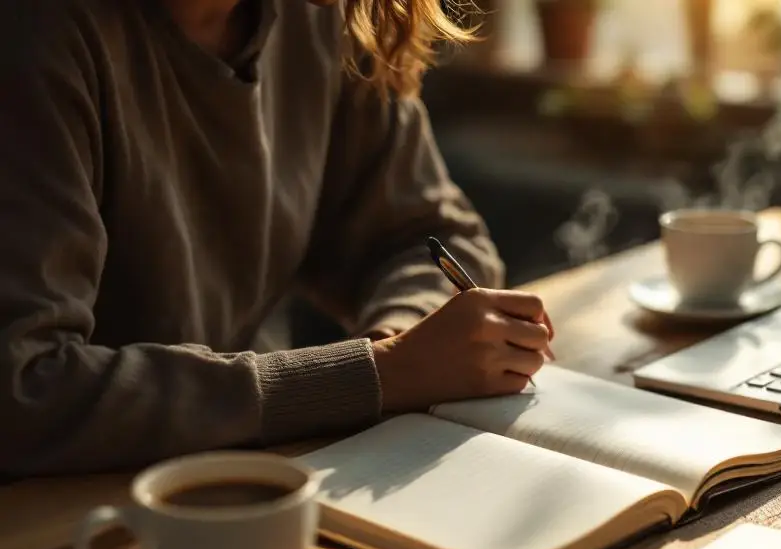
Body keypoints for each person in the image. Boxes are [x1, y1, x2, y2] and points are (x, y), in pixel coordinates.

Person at [0, 0, 554, 477]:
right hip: (62, 523)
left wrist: (401, 345)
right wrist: (377, 374)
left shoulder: (319, 19)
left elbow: (429, 238)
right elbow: (23, 391)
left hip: (258, 480)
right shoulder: (41, 36)